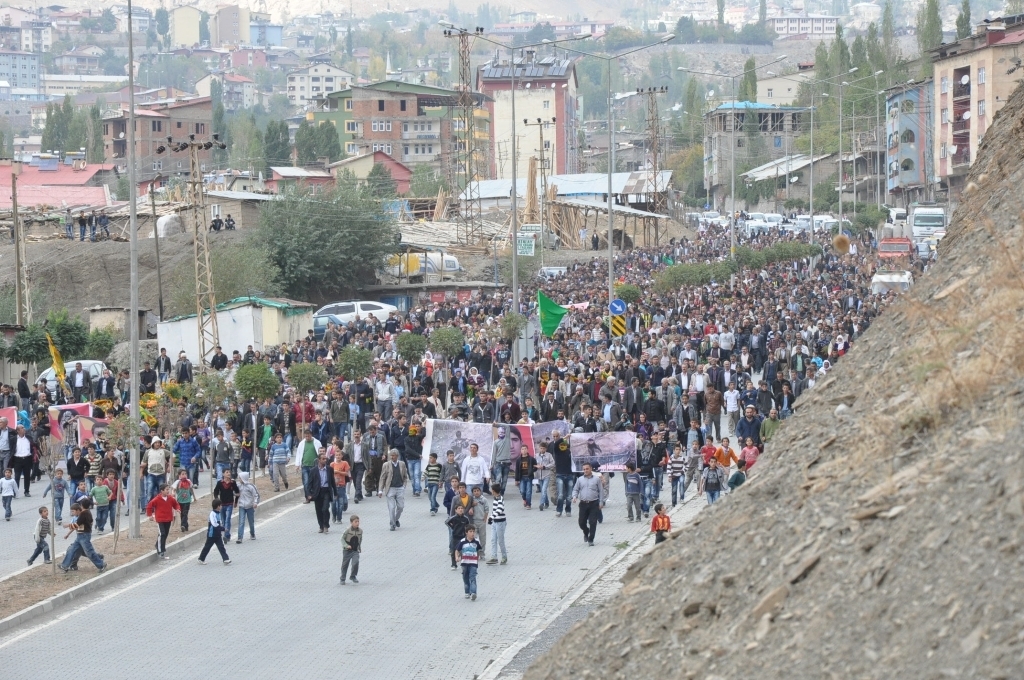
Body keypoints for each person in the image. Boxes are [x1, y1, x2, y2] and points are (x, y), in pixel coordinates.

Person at [60, 500, 106, 573]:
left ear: (82, 506)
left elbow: (77, 524)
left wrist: (67, 525)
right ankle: (64, 565)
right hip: (80, 535)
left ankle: (101, 564)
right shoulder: (86, 513)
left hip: (84, 535)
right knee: (72, 550)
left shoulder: (84, 513)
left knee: (89, 552)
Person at [572, 463, 606, 546]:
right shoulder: (580, 479)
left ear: (591, 469)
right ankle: (586, 532)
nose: (585, 471)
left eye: (587, 469)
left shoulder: (596, 479)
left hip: (594, 503)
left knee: (593, 522)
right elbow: (575, 489)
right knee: (581, 522)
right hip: (583, 503)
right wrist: (574, 496)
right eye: (584, 469)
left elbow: (601, 491)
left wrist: (601, 502)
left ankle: (591, 539)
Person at [145, 483, 180, 559]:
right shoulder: (157, 499)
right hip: (160, 520)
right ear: (162, 491)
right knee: (162, 534)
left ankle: (158, 545)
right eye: (166, 489)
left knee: (165, 534)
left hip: (168, 519)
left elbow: (176, 504)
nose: (168, 491)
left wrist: (177, 509)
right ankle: (161, 551)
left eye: (169, 489)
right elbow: (149, 506)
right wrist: (150, 515)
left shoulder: (170, 498)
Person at [305, 452, 337, 533]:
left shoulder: (329, 469)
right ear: (319, 460)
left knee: (325, 509)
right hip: (317, 492)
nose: (325, 460)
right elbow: (309, 484)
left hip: (326, 491)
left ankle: (326, 525)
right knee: (318, 510)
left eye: (325, 459)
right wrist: (308, 494)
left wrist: (335, 493)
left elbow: (332, 482)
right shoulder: (313, 470)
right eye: (323, 459)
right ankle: (321, 526)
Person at [377, 448, 408, 531]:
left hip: (400, 488)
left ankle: (396, 519)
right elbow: (382, 478)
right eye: (390, 455)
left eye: (393, 455)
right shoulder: (386, 465)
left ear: (397, 456)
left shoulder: (402, 464)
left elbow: (405, 476)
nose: (391, 457)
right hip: (390, 488)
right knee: (391, 508)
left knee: (401, 507)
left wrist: (404, 486)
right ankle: (392, 524)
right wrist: (380, 490)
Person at [197, 498, 231, 565]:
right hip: (212, 535)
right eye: (220, 505)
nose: (221, 507)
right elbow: (214, 524)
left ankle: (226, 559)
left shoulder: (218, 513)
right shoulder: (212, 514)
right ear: (218, 506)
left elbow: (219, 522)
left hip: (217, 535)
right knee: (207, 547)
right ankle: (201, 558)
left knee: (221, 547)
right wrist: (223, 529)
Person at [455, 525, 482, 601]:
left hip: (473, 563)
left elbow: (478, 550)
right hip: (464, 563)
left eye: (473, 531)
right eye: (470, 532)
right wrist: (457, 557)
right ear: (466, 533)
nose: (472, 533)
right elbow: (457, 550)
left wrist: (478, 557)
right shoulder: (462, 541)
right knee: (465, 578)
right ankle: (467, 591)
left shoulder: (476, 541)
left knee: (472, 577)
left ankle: (473, 593)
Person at [485, 483, 507, 565]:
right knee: (493, 539)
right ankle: (494, 557)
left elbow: (500, 509)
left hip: (501, 522)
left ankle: (504, 556)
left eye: (492, 490)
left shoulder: (500, 499)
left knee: (500, 540)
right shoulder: (496, 498)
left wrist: (492, 517)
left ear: (494, 491)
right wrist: (491, 517)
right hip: (495, 522)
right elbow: (494, 510)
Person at [213, 470, 239, 538]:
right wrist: (217, 499)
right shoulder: (220, 483)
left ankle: (226, 535)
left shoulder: (233, 482)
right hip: (222, 504)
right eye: (227, 472)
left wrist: (236, 502)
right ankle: (227, 533)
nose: (229, 473)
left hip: (230, 503)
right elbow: (216, 491)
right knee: (223, 520)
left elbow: (237, 492)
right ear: (223, 474)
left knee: (228, 519)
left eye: (229, 472)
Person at [445, 502, 471, 569]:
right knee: (454, 550)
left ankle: (464, 563)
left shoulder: (466, 518)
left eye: (462, 508)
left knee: (464, 550)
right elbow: (446, 522)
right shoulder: (454, 518)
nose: (460, 510)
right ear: (456, 510)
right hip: (455, 536)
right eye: (459, 508)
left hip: (463, 537)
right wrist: (452, 527)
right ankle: (454, 564)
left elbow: (468, 526)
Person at [235, 471, 259, 543]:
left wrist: (255, 503)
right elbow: (234, 491)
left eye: (240, 478)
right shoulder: (238, 486)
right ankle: (240, 537)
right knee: (241, 522)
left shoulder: (251, 486)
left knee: (251, 521)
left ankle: (252, 534)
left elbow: (256, 495)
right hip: (242, 506)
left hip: (250, 506)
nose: (239, 479)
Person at [329, 449, 350, 524]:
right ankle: (334, 515)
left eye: (339, 455)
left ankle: (339, 518)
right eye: (336, 455)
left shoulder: (345, 463)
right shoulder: (332, 465)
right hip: (333, 486)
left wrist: (338, 472)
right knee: (334, 503)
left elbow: (346, 474)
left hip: (341, 486)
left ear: (342, 456)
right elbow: (329, 475)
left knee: (340, 503)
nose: (338, 456)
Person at [340, 514, 362, 585]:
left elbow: (360, 540)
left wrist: (359, 548)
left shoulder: (360, 531)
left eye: (358, 521)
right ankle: (342, 578)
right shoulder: (347, 530)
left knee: (356, 562)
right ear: (351, 522)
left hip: (355, 550)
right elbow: (342, 539)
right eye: (356, 522)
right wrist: (346, 545)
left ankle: (353, 576)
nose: (357, 523)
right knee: (345, 565)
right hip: (347, 551)